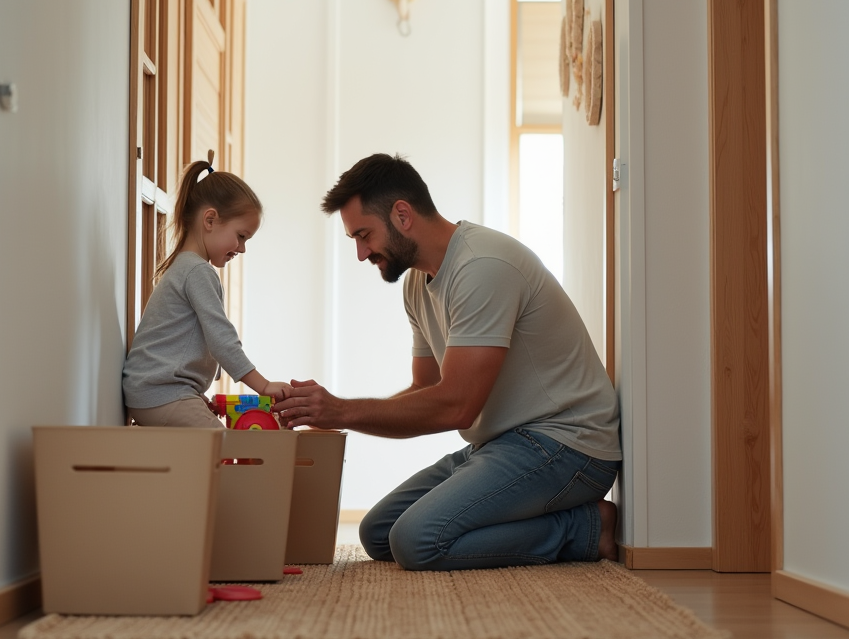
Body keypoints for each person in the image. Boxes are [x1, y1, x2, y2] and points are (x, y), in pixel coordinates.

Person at [273, 153, 621, 571]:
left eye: (364, 235)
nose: (362, 253)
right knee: (378, 533)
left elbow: (456, 406)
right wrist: (333, 413)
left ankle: (585, 528)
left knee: (417, 541)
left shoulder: (482, 267)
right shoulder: (418, 283)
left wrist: (341, 410)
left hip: (567, 444)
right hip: (502, 443)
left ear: (402, 214)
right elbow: (427, 389)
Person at [123, 152, 292, 427]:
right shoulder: (198, 271)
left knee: (205, 456)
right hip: (161, 394)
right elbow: (221, 337)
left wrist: (193, 394)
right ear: (210, 220)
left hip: (153, 393)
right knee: (222, 449)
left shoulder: (185, 267)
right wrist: (263, 385)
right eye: (241, 236)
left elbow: (179, 344)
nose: (242, 248)